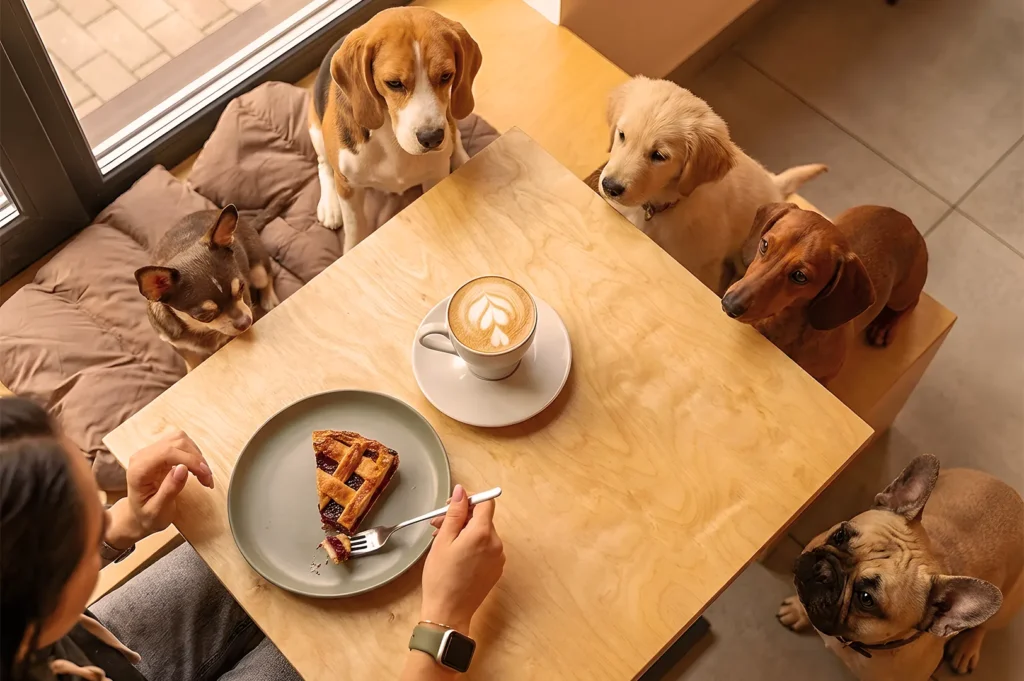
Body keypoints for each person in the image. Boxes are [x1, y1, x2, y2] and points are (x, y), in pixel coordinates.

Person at [0, 397, 505, 680]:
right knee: (337, 651)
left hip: (93, 650)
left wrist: (124, 526)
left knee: (244, 564)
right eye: (89, 523)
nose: (102, 515)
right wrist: (445, 624)